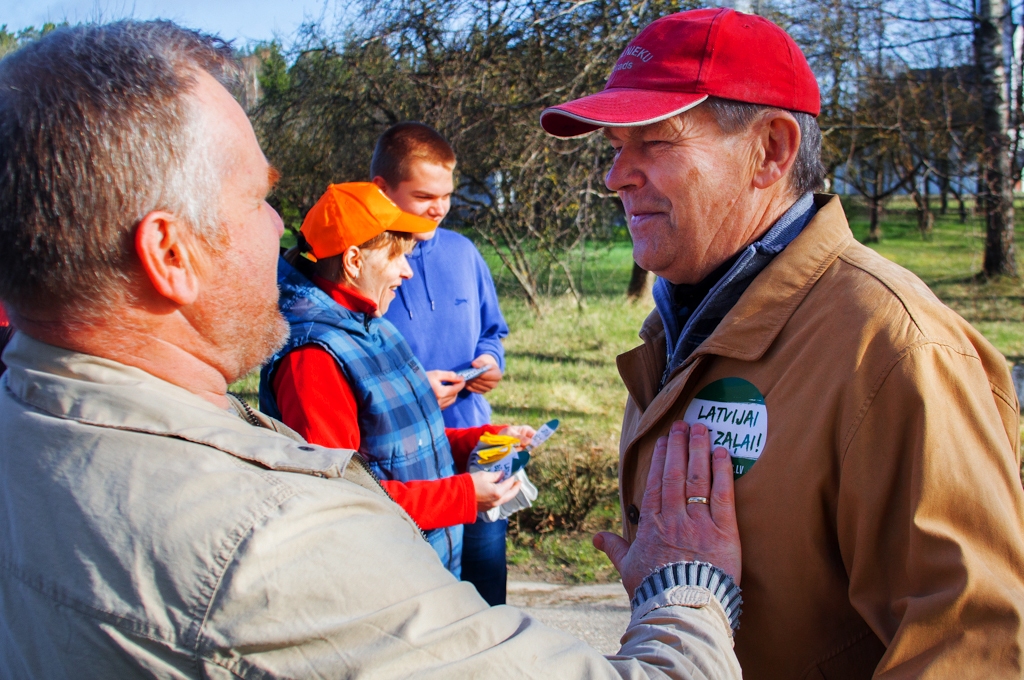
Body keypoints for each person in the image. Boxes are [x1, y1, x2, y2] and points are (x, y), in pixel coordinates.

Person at [0, 20, 747, 678]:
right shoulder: (267, 544)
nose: (279, 232)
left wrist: (471, 440)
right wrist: (687, 584)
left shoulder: (25, 425)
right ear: (170, 253)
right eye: (260, 198)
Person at [540, 8, 1024, 679]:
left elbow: (973, 651)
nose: (615, 175)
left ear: (771, 150)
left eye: (653, 141)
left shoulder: (895, 349)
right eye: (615, 147)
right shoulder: (680, 329)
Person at [257, 181, 531, 577]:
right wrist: (463, 494)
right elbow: (340, 497)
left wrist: (484, 440)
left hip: (420, 566)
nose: (407, 271)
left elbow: (398, 441)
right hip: (386, 579)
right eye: (397, 256)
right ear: (353, 261)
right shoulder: (313, 360)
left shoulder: (370, 323)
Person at [373, 122, 514, 605]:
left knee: (488, 595)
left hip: (478, 445)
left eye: (447, 195)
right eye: (424, 195)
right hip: (408, 465)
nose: (439, 207)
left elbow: (494, 330)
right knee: (427, 605)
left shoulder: (464, 252)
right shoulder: (366, 264)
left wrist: (489, 361)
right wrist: (414, 391)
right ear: (382, 190)